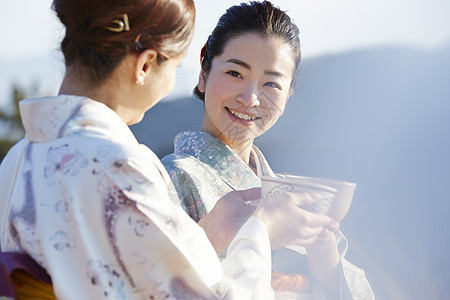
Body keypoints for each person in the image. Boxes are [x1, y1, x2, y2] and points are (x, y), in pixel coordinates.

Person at [0, 0, 318, 299]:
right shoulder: (119, 169)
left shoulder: (17, 159)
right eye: (176, 66)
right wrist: (259, 230)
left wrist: (211, 237)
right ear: (146, 64)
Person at [162, 1, 375, 299]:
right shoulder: (169, 179)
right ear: (204, 71)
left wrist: (329, 267)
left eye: (272, 84)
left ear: (289, 93)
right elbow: (152, 285)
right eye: (236, 73)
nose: (250, 98)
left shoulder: (291, 198)